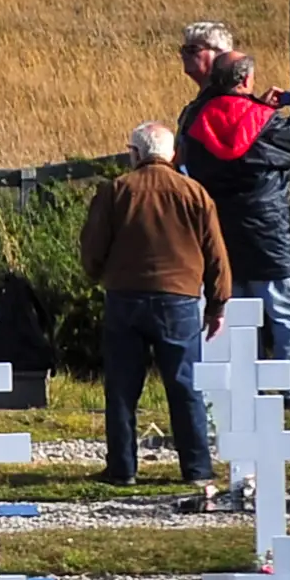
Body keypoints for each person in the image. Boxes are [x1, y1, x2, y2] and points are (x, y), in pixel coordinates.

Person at [80, 123, 230, 495]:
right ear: (172, 154)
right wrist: (217, 303)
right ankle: (196, 468)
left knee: (122, 388)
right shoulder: (194, 193)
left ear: (135, 153)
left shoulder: (116, 191)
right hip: (178, 300)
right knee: (184, 386)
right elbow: (216, 253)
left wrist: (97, 274)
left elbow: (93, 246)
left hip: (125, 298)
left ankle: (122, 469)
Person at [177, 48, 290, 404]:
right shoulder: (265, 121)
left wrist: (262, 107)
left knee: (232, 311)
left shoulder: (195, 118)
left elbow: (228, 130)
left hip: (217, 230)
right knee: (287, 310)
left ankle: (241, 388)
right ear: (246, 80)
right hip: (267, 230)